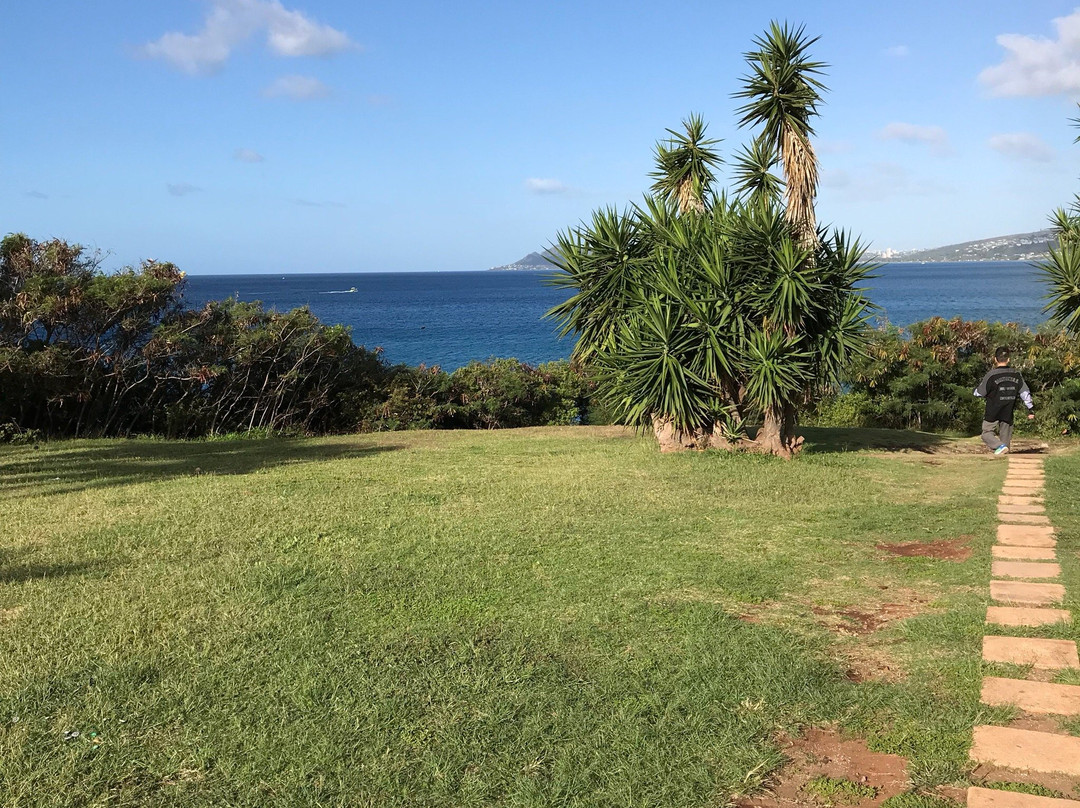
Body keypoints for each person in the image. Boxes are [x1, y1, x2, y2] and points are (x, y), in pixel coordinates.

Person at [974, 347, 1034, 455]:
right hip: (1008, 410)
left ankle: (999, 446)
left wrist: (974, 392)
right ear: (1008, 359)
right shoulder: (1016, 374)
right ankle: (1003, 452)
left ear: (995, 359)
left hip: (992, 410)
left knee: (986, 433)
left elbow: (980, 393)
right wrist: (1030, 408)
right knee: (1005, 439)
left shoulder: (991, 375)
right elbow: (1025, 392)